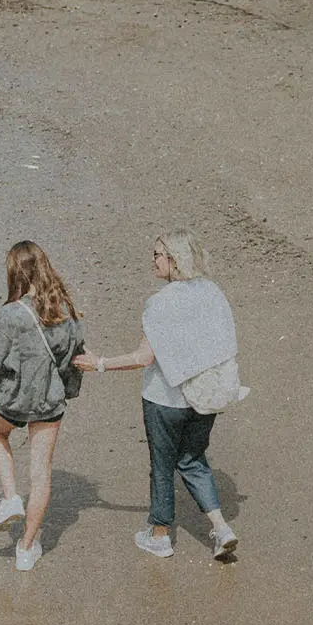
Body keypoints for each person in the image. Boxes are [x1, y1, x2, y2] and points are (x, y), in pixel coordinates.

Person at [74, 229, 243, 560]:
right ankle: (222, 528)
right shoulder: (213, 292)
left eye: (157, 255)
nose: (152, 260)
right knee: (194, 460)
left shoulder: (160, 303)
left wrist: (100, 364)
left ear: (174, 259)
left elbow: (143, 358)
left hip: (165, 400)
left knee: (162, 465)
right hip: (206, 397)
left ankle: (160, 534)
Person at [0, 241, 86, 571]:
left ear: (14, 272)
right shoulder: (66, 310)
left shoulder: (12, 314)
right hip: (49, 401)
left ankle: (10, 498)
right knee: (41, 473)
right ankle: (26, 548)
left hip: (13, 398)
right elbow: (75, 354)